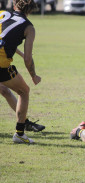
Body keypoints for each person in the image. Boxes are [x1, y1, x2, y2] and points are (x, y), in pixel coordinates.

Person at [0, 0, 41, 143]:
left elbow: (4, 38)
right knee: (24, 91)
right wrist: (34, 75)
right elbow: (28, 59)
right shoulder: (28, 27)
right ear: (30, 10)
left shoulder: (2, 14)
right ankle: (19, 133)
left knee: (4, 90)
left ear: (14, 5)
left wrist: (19, 53)